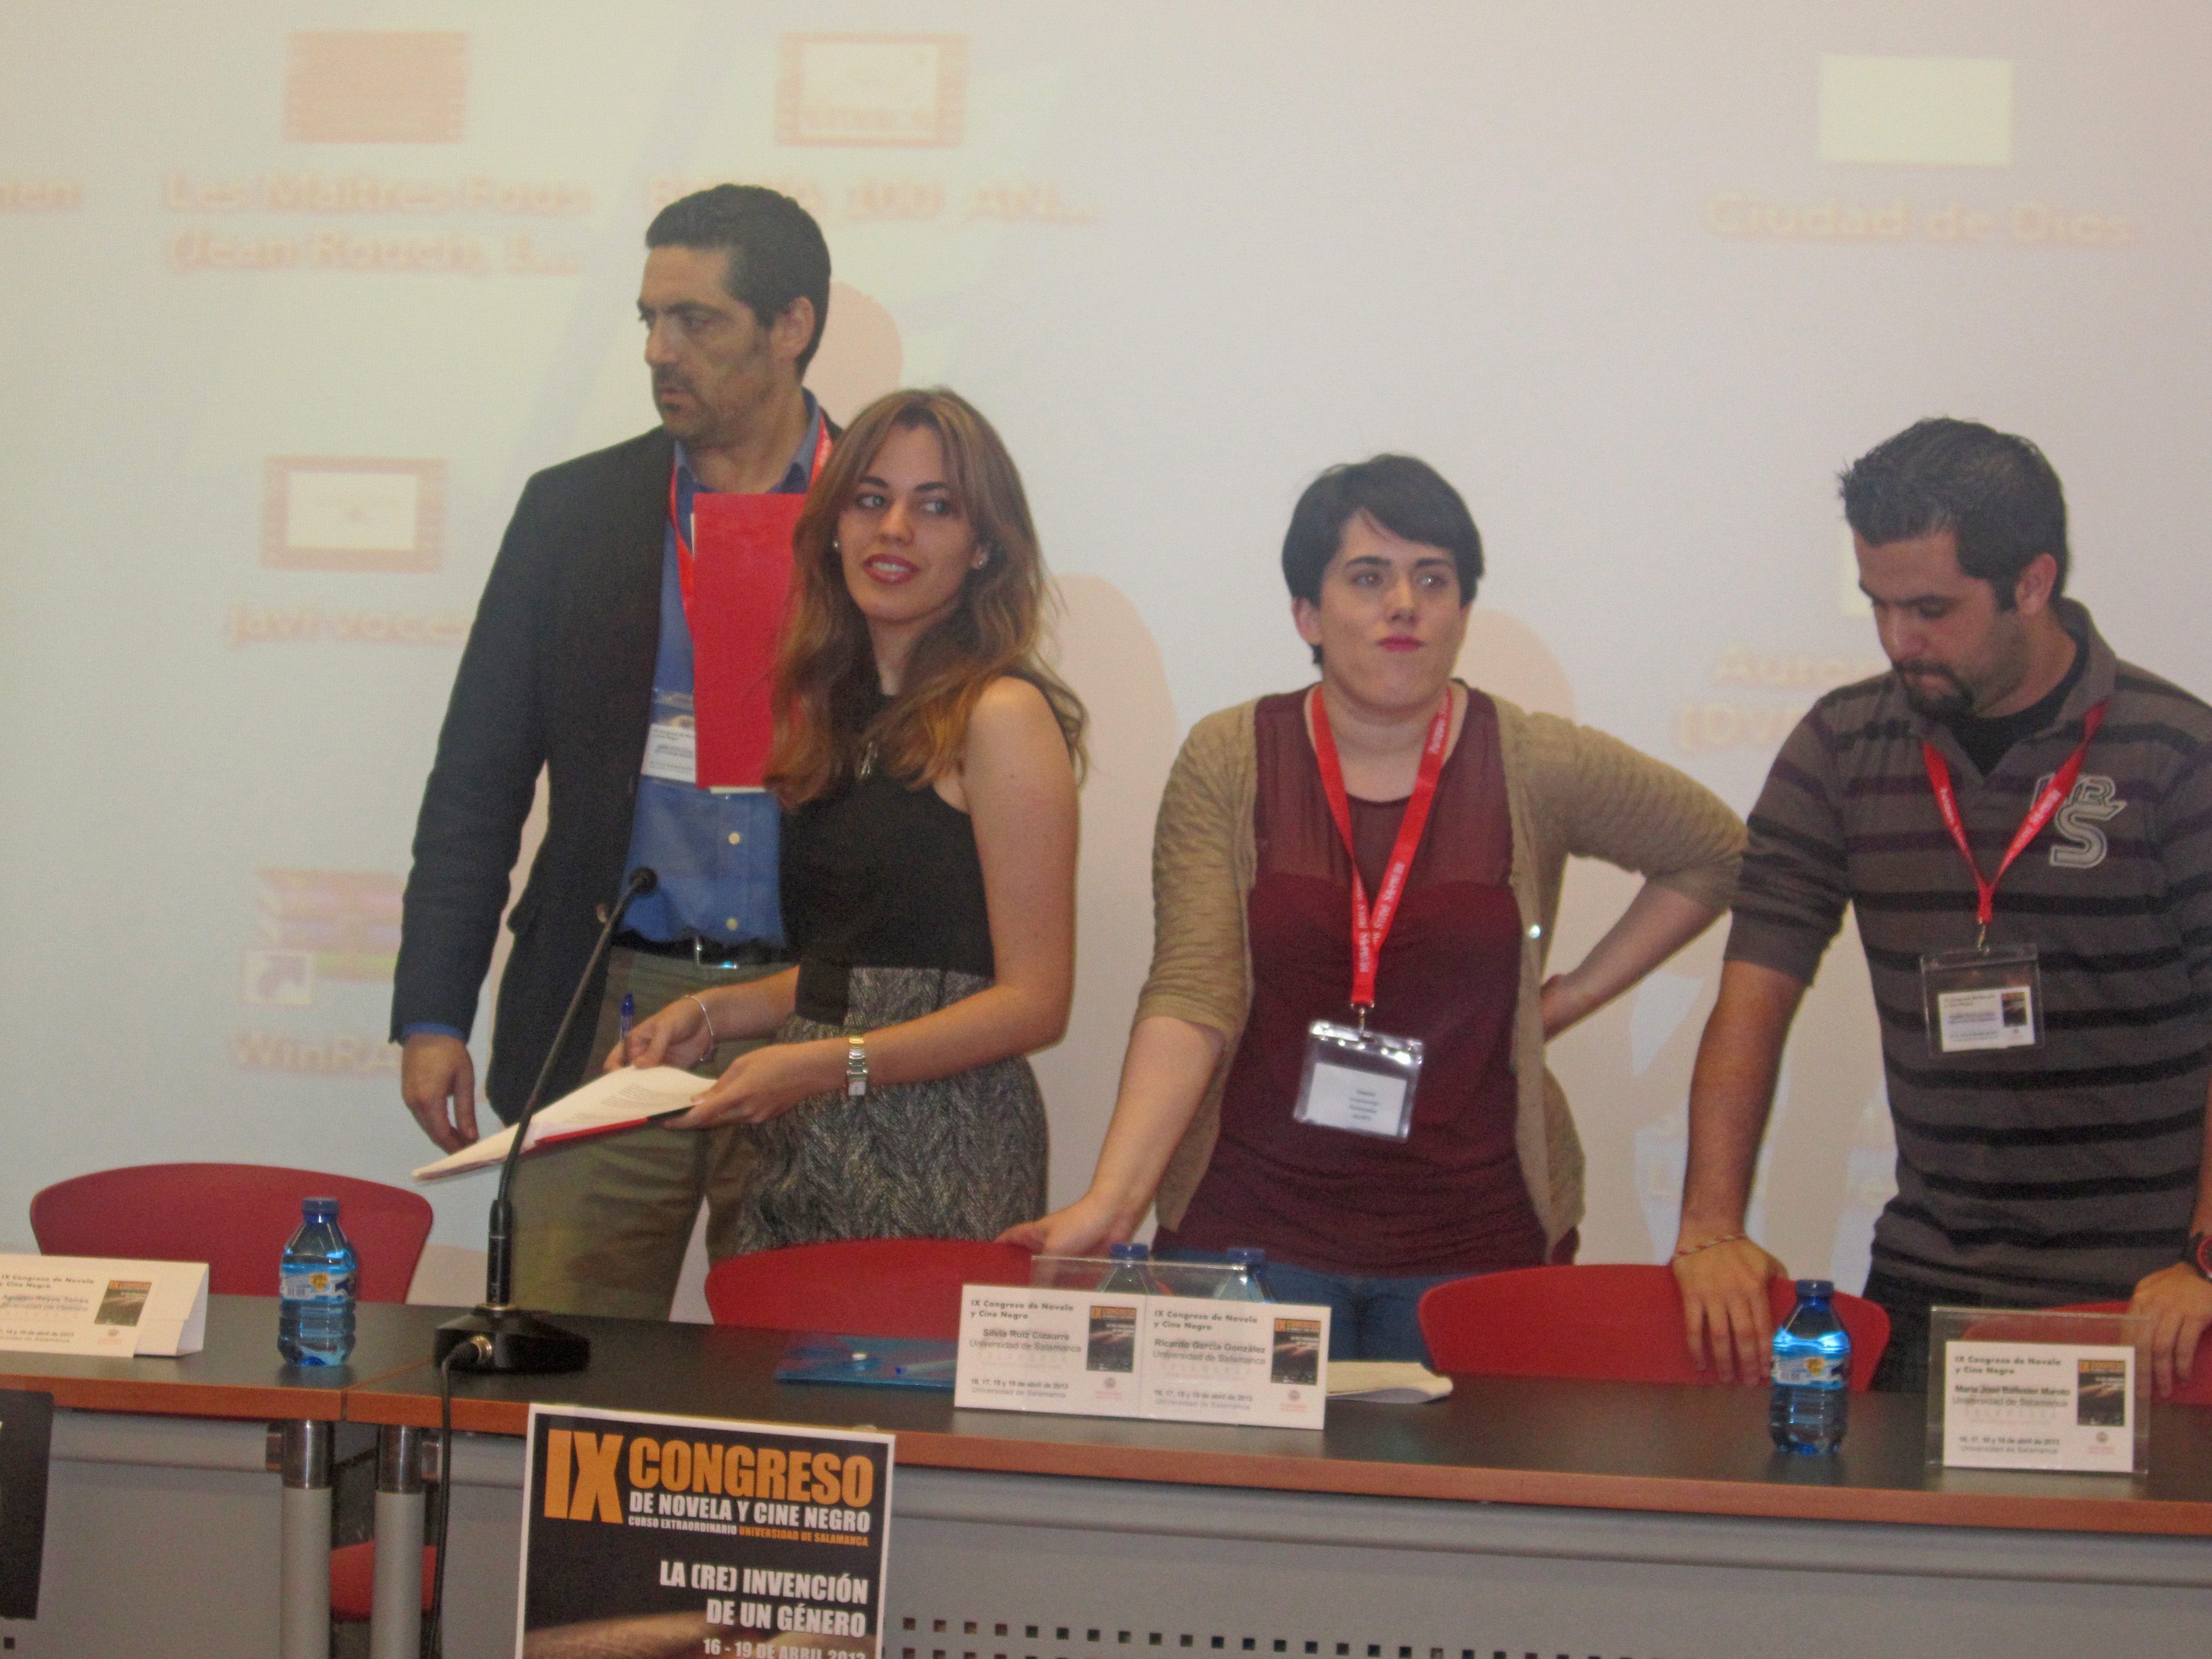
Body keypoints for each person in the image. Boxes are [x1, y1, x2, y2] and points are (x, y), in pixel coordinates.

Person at [1005, 456, 1744, 1360]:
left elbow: (1717, 853)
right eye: (1368, 578)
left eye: (1433, 580)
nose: (1405, 605)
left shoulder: (1532, 760)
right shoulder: (1231, 757)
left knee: (1462, 1461)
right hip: (1253, 1233)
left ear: (1462, 613)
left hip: (1475, 1240)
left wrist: (1563, 1000)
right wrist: (1113, 1201)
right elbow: (1193, 990)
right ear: (1307, 616)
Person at [1672, 418, 2212, 1396]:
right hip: (1927, 1289)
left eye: (1930, 609)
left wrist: (2206, 1261)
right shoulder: (1841, 744)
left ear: (2033, 583)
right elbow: (1752, 996)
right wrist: (1708, 1226)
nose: (1897, 641)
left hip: (2145, 1301)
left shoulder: (2177, 754)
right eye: (1877, 605)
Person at [390, 185, 836, 1316]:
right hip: (613, 1005)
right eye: (649, 319)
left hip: (815, 1009)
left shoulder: (880, 517)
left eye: (696, 321)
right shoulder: (574, 513)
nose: (657, 351)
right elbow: (478, 779)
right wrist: (434, 1011)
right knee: (562, 1354)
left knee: (799, 1372)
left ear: (791, 325)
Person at [615, 389, 1084, 1250]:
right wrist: (714, 1015)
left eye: (935, 507)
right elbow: (856, 971)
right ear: (834, 526)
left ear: (984, 546)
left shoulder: (1001, 714)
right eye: (871, 499)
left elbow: (1034, 1004)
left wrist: (829, 1066)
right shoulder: (835, 710)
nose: (893, 529)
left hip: (944, 1151)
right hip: (805, 1147)